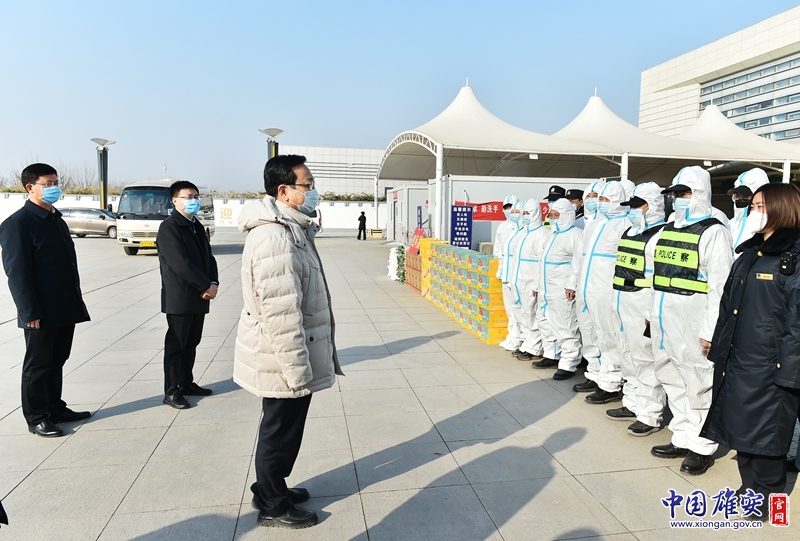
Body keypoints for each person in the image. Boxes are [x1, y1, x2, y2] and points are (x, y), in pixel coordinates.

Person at [234, 154, 343, 529]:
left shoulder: (293, 228)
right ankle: (272, 504)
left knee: (285, 428)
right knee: (279, 430)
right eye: (307, 185)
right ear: (284, 191)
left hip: (289, 353)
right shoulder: (275, 238)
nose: (313, 191)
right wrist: (297, 370)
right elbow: (281, 314)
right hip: (281, 357)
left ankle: (271, 487)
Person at [701, 183, 800, 514]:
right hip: (740, 357)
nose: (754, 212)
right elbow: (728, 305)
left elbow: (797, 321)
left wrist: (789, 370)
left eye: (761, 206)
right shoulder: (750, 253)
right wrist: (718, 344)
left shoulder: (793, 257)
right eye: (753, 206)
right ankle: (749, 487)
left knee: (768, 435)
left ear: (783, 209)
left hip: (771, 364)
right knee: (741, 428)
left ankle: (769, 497)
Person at [650, 166, 733, 475]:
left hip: (693, 320)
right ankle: (683, 435)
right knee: (671, 376)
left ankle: (702, 445)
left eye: (685, 193)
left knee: (699, 382)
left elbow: (720, 286)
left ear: (700, 193)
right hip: (664, 318)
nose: (679, 200)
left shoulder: (713, 231)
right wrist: (651, 316)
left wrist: (710, 330)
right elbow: (657, 276)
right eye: (675, 194)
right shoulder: (668, 228)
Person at [0, 163, 91, 438]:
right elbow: (17, 274)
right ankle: (37, 417)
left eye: (56, 183)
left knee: (57, 360)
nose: (54, 188)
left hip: (64, 306)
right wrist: (29, 312)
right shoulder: (18, 224)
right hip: (40, 311)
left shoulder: (56, 220)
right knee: (38, 365)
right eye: (48, 184)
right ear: (30, 187)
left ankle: (54, 407)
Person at [608, 183, 667, 436]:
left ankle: (649, 413)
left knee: (645, 359)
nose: (632, 210)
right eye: (630, 206)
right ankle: (632, 402)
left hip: (643, 302)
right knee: (627, 354)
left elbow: (659, 278)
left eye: (637, 206)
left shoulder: (660, 235)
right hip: (623, 302)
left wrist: (652, 313)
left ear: (651, 206)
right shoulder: (630, 231)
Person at [157, 181, 219, 409]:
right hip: (180, 298)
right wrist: (204, 285)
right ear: (175, 200)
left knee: (192, 342)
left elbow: (208, 258)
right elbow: (180, 264)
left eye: (195, 196)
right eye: (188, 197)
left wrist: (213, 282)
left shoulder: (196, 225)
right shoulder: (169, 227)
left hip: (199, 296)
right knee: (177, 345)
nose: (193, 201)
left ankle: (186, 383)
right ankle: (171, 391)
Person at [573, 181, 630, 403]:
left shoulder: (624, 225)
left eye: (606, 199)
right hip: (587, 289)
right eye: (600, 199)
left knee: (608, 336)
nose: (601, 203)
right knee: (590, 333)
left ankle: (611, 383)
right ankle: (595, 374)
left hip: (606, 290)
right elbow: (581, 257)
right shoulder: (595, 223)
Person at [533, 199, 583, 379]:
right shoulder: (552, 234)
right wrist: (538, 285)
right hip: (546, 289)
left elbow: (578, 263)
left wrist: (571, 284)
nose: (553, 218)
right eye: (551, 215)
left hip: (562, 290)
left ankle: (569, 362)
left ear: (567, 215)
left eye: (557, 215)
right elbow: (542, 262)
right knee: (545, 323)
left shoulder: (576, 235)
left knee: (565, 326)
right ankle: (552, 353)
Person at [511, 199, 551, 361]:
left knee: (532, 314)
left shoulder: (542, 234)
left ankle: (535, 347)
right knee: (522, 313)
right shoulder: (523, 233)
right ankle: (527, 343)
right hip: (519, 280)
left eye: (529, 213)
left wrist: (537, 284)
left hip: (531, 281)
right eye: (524, 213)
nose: (526, 216)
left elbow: (542, 261)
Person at [496, 198, 525, 352]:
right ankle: (513, 336)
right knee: (510, 310)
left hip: (517, 277)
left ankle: (519, 339)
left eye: (515, 210)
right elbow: (500, 251)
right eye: (509, 209)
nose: (511, 213)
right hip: (506, 275)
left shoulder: (524, 232)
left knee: (519, 311)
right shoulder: (507, 229)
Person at [728, 168, 770, 252]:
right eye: (737, 195)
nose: (740, 199)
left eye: (745, 196)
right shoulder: (732, 224)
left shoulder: (766, 226)